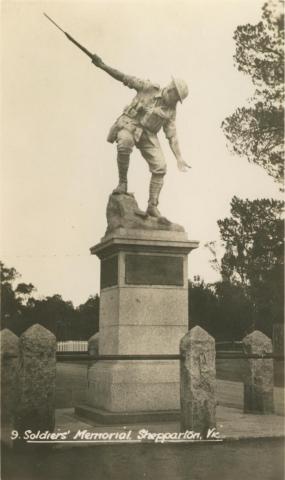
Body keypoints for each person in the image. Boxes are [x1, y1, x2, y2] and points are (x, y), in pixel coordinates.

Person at [92, 53, 190, 217]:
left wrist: (179, 158)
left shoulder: (171, 111)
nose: (175, 102)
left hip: (148, 134)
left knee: (160, 167)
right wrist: (102, 65)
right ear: (171, 89)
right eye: (176, 97)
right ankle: (122, 183)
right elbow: (123, 77)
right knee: (124, 142)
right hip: (130, 123)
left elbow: (172, 135)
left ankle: (152, 205)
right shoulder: (148, 87)